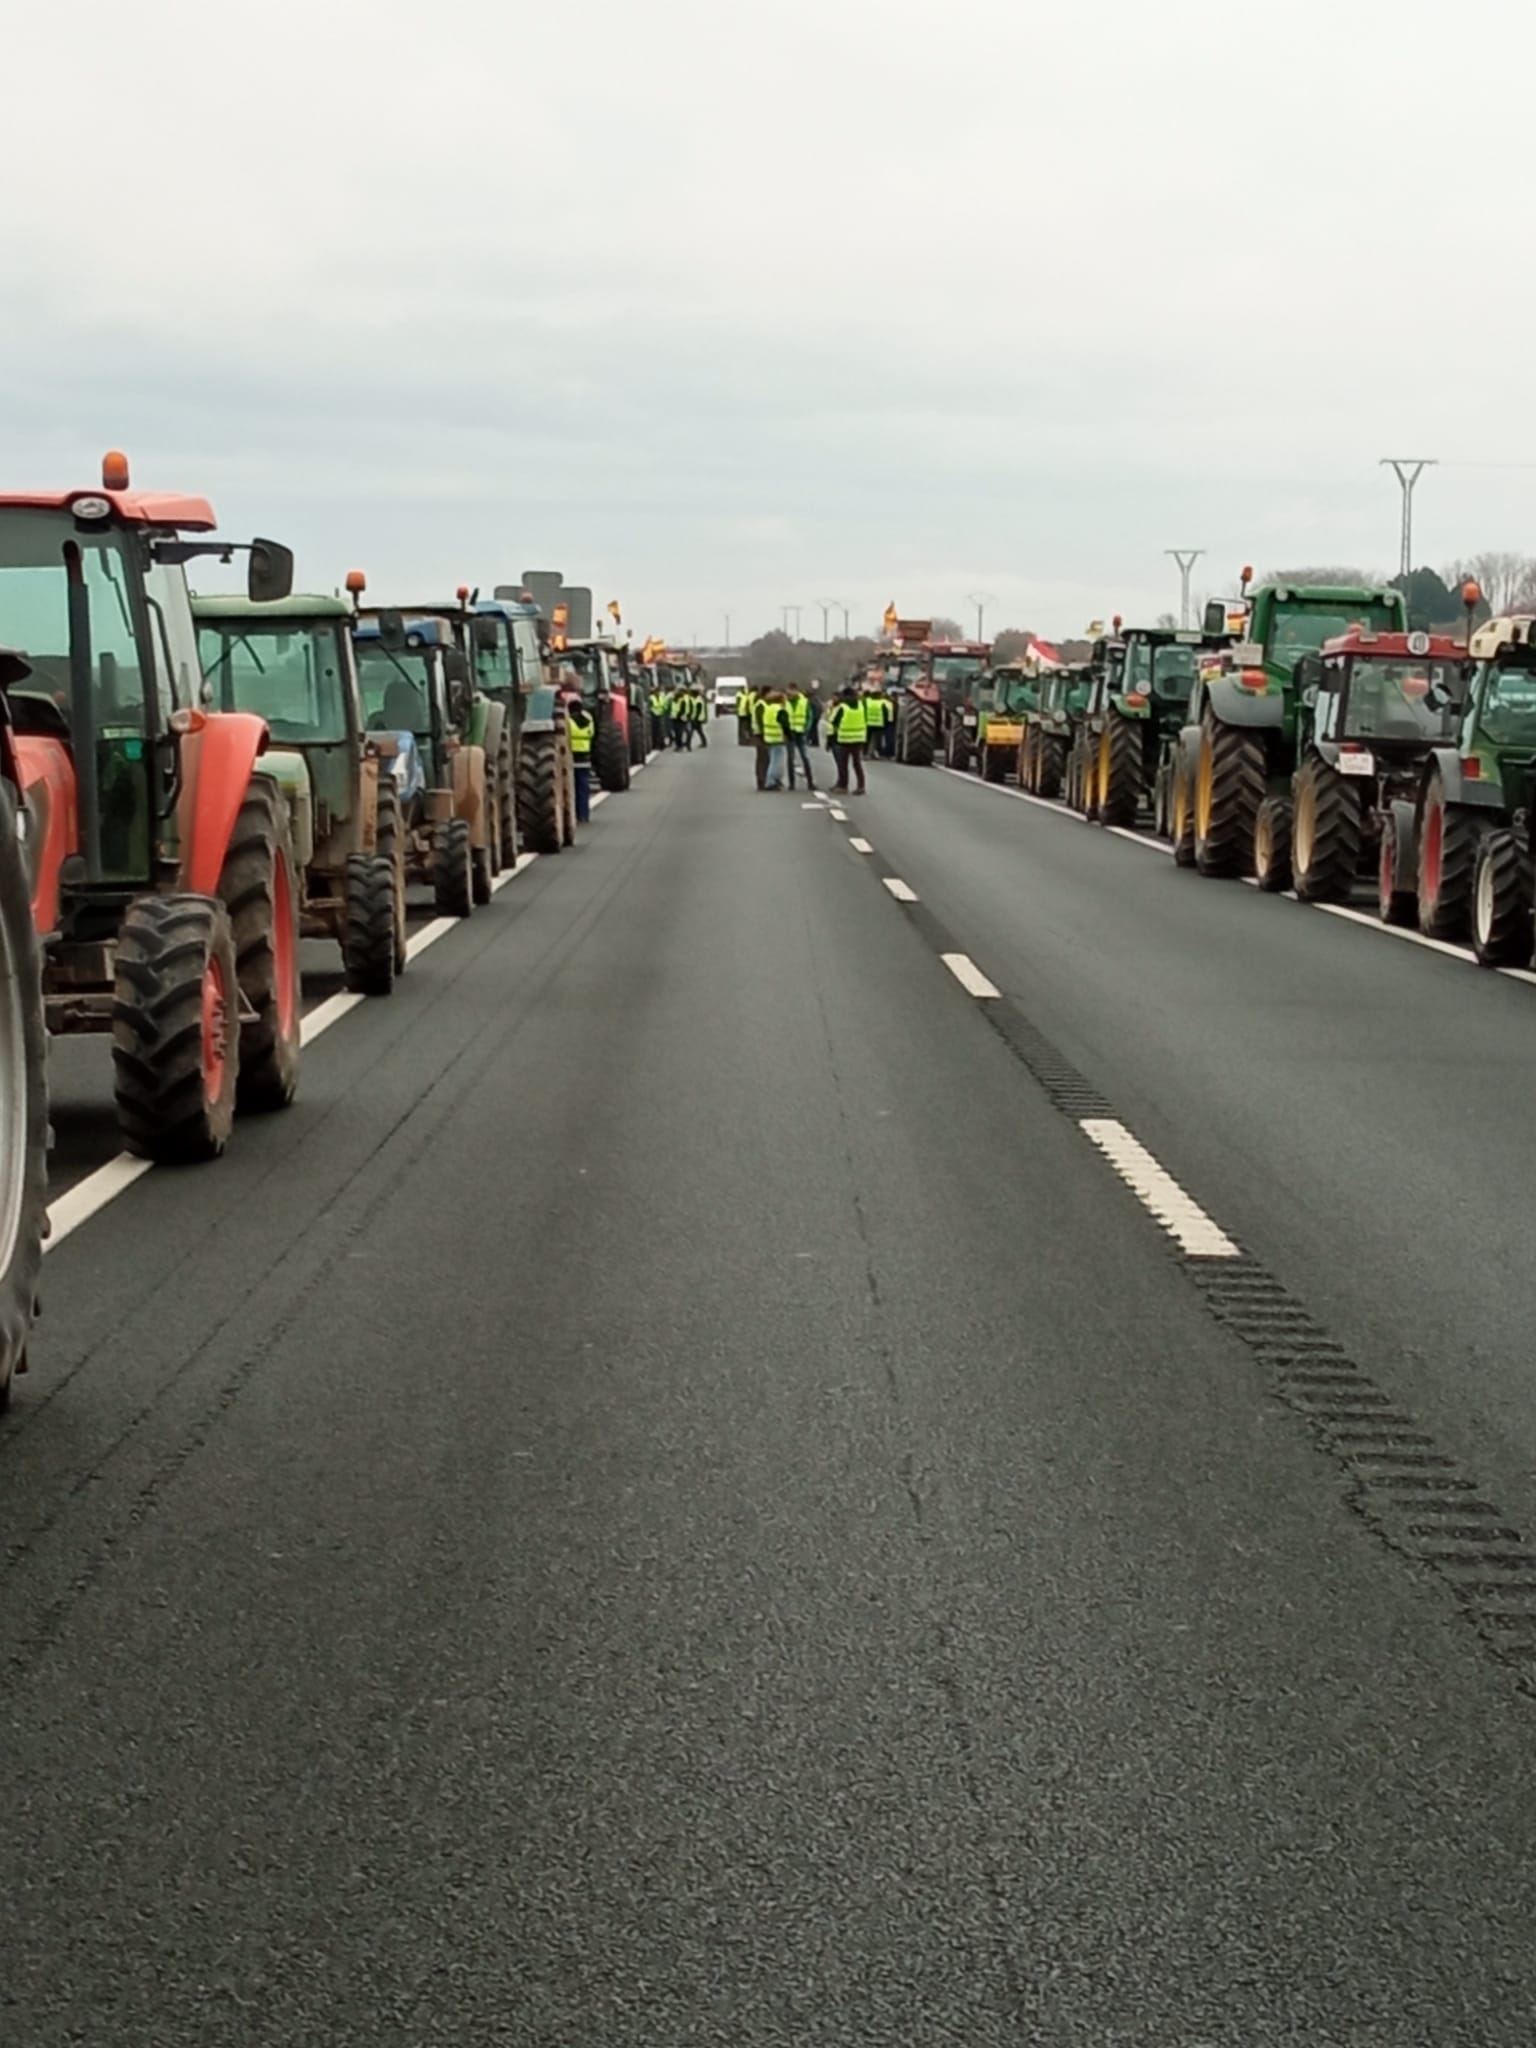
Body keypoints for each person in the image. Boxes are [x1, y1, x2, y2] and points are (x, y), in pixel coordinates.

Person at [826, 685, 868, 793]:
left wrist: (831, 738)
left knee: (843, 764)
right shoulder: (861, 705)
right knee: (857, 764)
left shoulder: (842, 707)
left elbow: (834, 722)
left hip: (844, 739)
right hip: (858, 739)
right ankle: (861, 786)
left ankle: (843, 786)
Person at [756, 687, 790, 790]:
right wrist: (789, 736)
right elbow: (784, 724)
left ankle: (773, 780)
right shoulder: (780, 710)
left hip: (769, 736)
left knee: (773, 760)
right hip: (777, 737)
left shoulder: (769, 708)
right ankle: (770, 781)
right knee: (776, 761)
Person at [567, 701, 595, 822]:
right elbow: (592, 734)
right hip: (585, 758)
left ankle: (574, 813)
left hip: (572, 758)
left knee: (572, 788)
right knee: (583, 788)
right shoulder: (589, 721)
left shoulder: (568, 722)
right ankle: (584, 814)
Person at [784, 684, 815, 791]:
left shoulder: (804, 701)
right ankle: (791, 784)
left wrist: (806, 729)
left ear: (796, 691)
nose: (790, 694)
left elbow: (809, 717)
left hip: (801, 733)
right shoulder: (784, 703)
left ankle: (810, 782)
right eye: (789, 692)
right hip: (789, 733)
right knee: (790, 759)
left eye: (792, 691)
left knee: (805, 757)